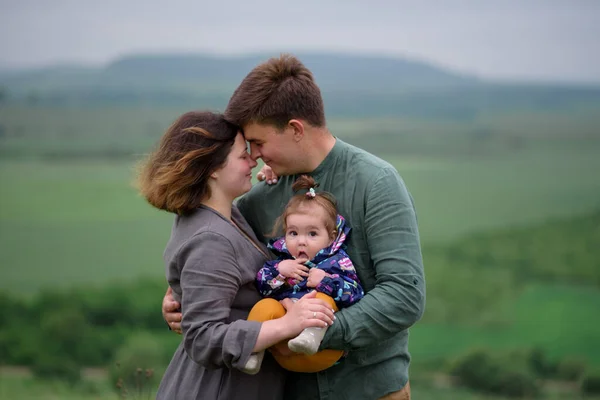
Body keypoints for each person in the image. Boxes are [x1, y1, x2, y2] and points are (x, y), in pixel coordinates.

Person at [163, 54, 425, 400]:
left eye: (258, 142)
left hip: (370, 390)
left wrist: (313, 330)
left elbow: (405, 295)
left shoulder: (376, 183)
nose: (253, 156)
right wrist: (181, 296)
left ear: (296, 129)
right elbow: (225, 266)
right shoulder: (258, 200)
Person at [138, 111, 335, 400]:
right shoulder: (211, 238)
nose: (253, 160)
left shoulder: (222, 217)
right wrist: (286, 325)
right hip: (217, 389)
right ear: (214, 169)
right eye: (243, 155)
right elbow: (203, 338)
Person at [246, 174, 364, 374]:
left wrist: (325, 281)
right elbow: (262, 287)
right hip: (283, 349)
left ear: (330, 237)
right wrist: (279, 272)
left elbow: (355, 294)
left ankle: (310, 336)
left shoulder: (336, 262)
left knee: (321, 298)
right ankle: (252, 350)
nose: (301, 241)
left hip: (321, 352)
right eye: (293, 233)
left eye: (312, 234)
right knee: (265, 305)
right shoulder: (282, 261)